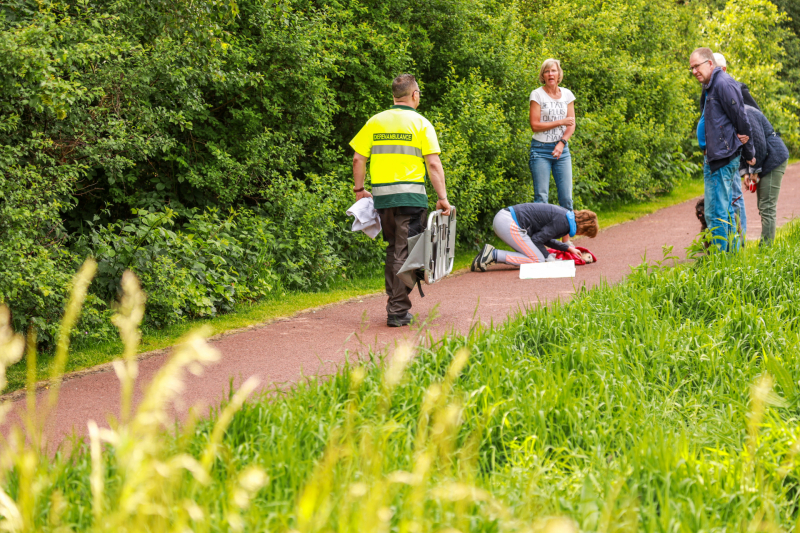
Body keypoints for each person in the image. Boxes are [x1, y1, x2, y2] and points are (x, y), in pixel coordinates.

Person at [350, 74, 451, 328]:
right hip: (410, 197)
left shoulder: (375, 122)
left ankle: (395, 302)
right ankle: (396, 310)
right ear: (414, 95)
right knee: (405, 252)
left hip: (383, 199)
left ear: (394, 96)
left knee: (394, 249)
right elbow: (433, 164)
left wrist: (360, 189)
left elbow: (358, 159)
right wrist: (443, 198)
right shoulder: (421, 123)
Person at [690, 47, 755, 252]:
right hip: (714, 157)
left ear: (710, 64)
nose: (694, 71)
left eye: (696, 66)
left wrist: (749, 153)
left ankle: (721, 261)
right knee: (720, 211)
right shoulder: (710, 85)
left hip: (723, 157)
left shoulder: (723, 84)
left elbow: (741, 119)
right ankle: (731, 255)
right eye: (691, 68)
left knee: (718, 213)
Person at [471, 204, 598, 271]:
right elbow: (537, 239)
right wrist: (549, 259)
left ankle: (491, 254)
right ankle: (493, 255)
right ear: (583, 230)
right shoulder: (563, 223)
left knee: (539, 257)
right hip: (508, 222)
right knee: (537, 260)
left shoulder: (564, 217)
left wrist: (567, 248)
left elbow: (545, 238)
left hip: (505, 219)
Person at [529, 59, 576, 220]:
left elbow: (571, 124)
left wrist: (562, 143)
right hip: (540, 150)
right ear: (543, 75)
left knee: (566, 199)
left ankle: (566, 242)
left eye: (553, 71)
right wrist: (560, 122)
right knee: (541, 199)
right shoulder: (537, 94)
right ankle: (541, 242)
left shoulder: (567, 94)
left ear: (559, 74)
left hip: (562, 151)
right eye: (547, 71)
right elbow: (535, 125)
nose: (551, 74)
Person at [740, 105, 790, 244]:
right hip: (763, 160)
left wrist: (754, 170)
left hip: (774, 159)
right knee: (762, 206)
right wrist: (745, 172)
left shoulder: (746, 112)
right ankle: (766, 246)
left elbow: (759, 144)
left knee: (767, 206)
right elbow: (742, 147)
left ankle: (766, 250)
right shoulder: (734, 115)